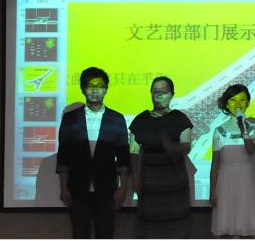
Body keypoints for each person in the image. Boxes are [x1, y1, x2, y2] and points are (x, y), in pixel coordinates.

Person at [56, 67, 130, 238]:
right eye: (90, 86)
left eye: (100, 86)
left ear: (106, 89)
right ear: (83, 89)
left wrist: (123, 188)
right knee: (80, 234)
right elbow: (64, 155)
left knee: (105, 233)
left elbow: (123, 156)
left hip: (107, 189)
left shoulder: (116, 119)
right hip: (77, 188)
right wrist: (63, 187)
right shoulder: (70, 118)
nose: (95, 90)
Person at [129, 76, 194, 238]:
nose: (159, 95)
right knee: (149, 227)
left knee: (176, 227)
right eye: (155, 91)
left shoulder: (180, 118)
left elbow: (186, 146)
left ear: (172, 95)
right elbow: (133, 151)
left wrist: (171, 147)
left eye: (163, 92)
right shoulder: (141, 120)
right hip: (149, 181)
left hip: (174, 182)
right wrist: (135, 178)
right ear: (151, 94)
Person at [209, 84, 255, 238]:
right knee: (227, 218)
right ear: (227, 104)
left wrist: (243, 130)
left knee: (244, 214)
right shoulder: (219, 131)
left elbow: (250, 150)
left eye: (242, 100)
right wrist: (212, 190)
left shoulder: (254, 128)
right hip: (225, 179)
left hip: (246, 179)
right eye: (233, 100)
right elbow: (215, 163)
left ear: (248, 103)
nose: (238, 104)